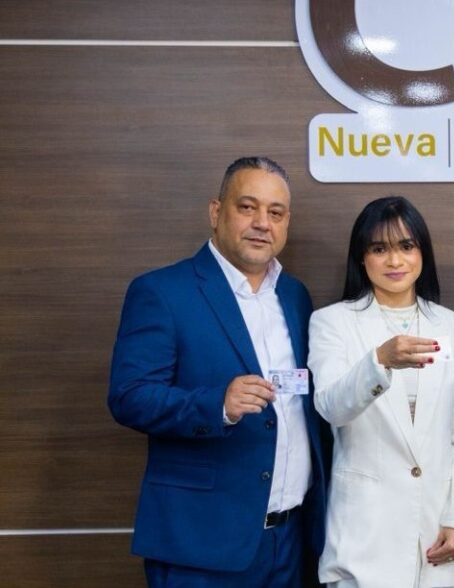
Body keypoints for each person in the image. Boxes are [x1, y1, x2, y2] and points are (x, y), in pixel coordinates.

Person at [108, 156, 327, 586]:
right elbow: (129, 396)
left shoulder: (296, 296)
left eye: (275, 213)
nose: (262, 223)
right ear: (215, 211)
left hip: (290, 540)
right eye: (247, 207)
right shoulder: (163, 291)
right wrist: (217, 406)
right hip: (201, 544)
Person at [309, 196, 454, 588]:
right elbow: (331, 407)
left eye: (406, 246)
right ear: (362, 257)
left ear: (422, 253)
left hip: (436, 540)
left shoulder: (452, 327)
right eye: (379, 249)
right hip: (364, 541)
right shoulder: (332, 323)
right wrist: (379, 361)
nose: (395, 261)